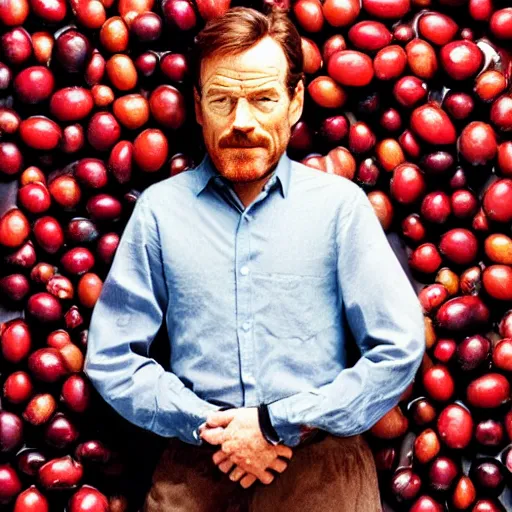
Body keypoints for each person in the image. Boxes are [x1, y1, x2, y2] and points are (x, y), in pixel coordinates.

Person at [84, 6, 425, 511]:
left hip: (323, 476)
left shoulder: (340, 208)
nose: (242, 122)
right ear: (198, 107)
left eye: (264, 98)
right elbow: (112, 358)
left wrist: (275, 423)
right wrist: (205, 423)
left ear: (295, 102)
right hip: (196, 472)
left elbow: (398, 349)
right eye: (223, 99)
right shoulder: (158, 212)